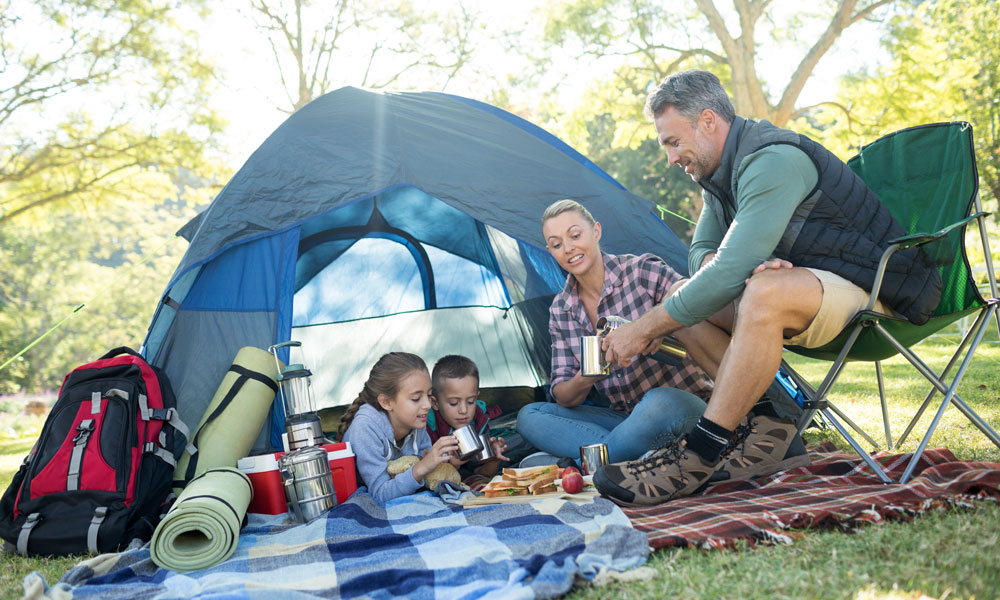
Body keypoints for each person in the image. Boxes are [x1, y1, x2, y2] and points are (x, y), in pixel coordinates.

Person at [594, 69, 942, 506]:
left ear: (707, 121)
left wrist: (644, 328)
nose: (669, 158)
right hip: (814, 287)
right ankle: (768, 426)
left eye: (672, 141)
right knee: (683, 294)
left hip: (877, 292)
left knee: (761, 292)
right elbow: (702, 256)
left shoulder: (772, 160)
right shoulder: (719, 177)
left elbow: (723, 271)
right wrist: (741, 263)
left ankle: (700, 453)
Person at [516, 199, 732, 464]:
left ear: (596, 231)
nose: (569, 248)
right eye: (558, 244)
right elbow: (562, 394)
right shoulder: (561, 310)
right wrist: (589, 374)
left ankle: (593, 462)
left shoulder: (640, 271)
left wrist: (654, 329)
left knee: (658, 400)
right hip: (626, 420)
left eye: (575, 235)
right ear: (551, 251)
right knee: (531, 415)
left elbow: (694, 297)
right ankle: (631, 456)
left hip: (683, 405)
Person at [339, 352, 459, 504]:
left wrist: (447, 462)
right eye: (416, 398)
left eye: (429, 395)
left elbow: (430, 474)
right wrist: (422, 467)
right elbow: (380, 493)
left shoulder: (416, 420)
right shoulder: (365, 428)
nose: (427, 405)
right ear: (386, 402)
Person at [427, 354, 508, 479]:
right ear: (435, 403)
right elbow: (428, 477)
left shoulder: (479, 418)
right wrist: (452, 466)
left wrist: (494, 458)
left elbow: (483, 473)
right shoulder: (429, 427)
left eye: (470, 401)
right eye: (454, 403)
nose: (464, 410)